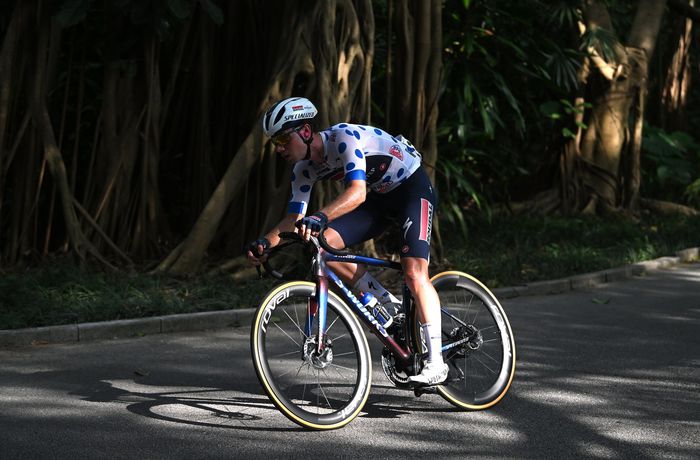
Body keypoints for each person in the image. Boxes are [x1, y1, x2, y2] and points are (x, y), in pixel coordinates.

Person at [246, 97, 447, 385]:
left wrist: (320, 215)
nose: (278, 148)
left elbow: (357, 193)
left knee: (414, 273)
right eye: (274, 142)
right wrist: (265, 243)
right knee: (324, 246)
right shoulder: (304, 169)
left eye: (282, 139)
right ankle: (384, 303)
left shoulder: (344, 138)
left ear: (304, 131)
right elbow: (293, 219)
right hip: (378, 200)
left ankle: (437, 363)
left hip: (411, 190)